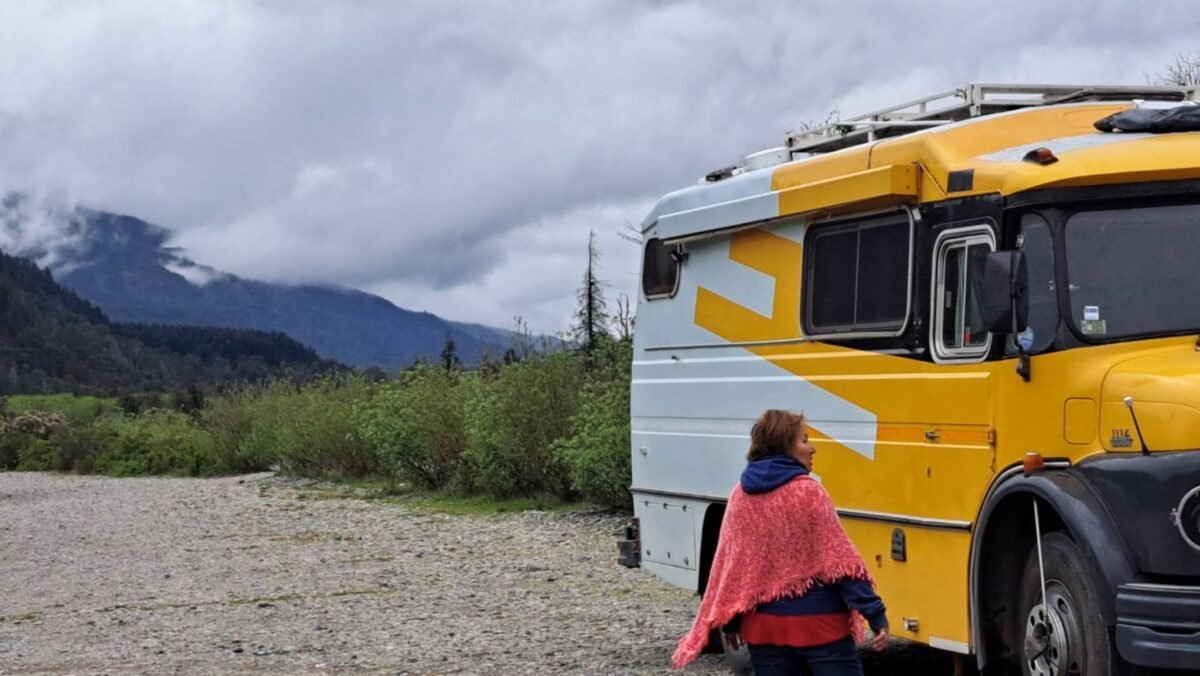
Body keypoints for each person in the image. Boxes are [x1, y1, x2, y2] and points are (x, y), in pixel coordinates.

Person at [671, 409, 889, 675]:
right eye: (804, 440)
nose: (812, 449)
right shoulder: (809, 492)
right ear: (785, 446)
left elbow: (731, 568)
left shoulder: (740, 495)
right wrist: (875, 614)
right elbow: (841, 564)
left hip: (763, 629)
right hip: (820, 625)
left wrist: (730, 624)